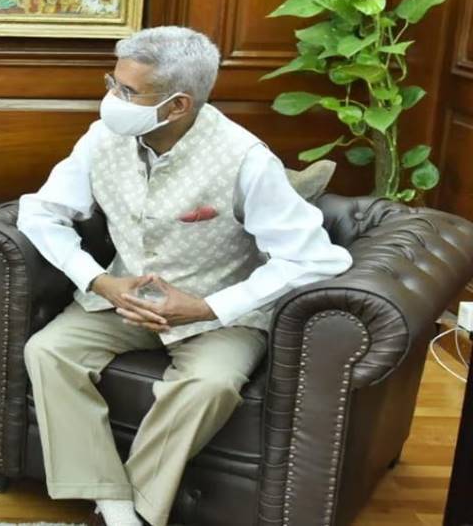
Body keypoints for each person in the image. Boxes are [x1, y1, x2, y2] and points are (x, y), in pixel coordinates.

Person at [17, 26, 353, 526]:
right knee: (47, 351)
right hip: (121, 298)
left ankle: (138, 504)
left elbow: (316, 259)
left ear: (177, 105)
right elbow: (40, 213)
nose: (112, 99)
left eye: (128, 92)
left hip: (218, 314)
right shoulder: (101, 138)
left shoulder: (245, 159)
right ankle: (112, 502)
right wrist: (99, 281)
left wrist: (207, 307)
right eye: (112, 83)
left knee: (211, 383)